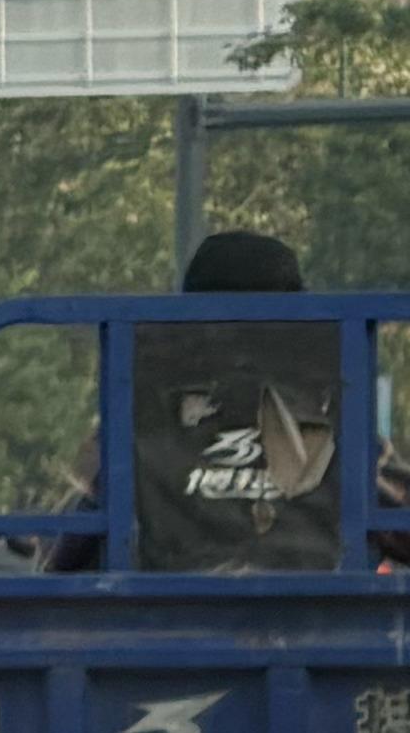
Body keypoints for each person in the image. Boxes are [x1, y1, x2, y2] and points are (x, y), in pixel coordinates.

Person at [134, 226, 344, 574]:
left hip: (169, 617)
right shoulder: (334, 417)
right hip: (320, 617)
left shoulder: (141, 417)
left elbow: (68, 552)